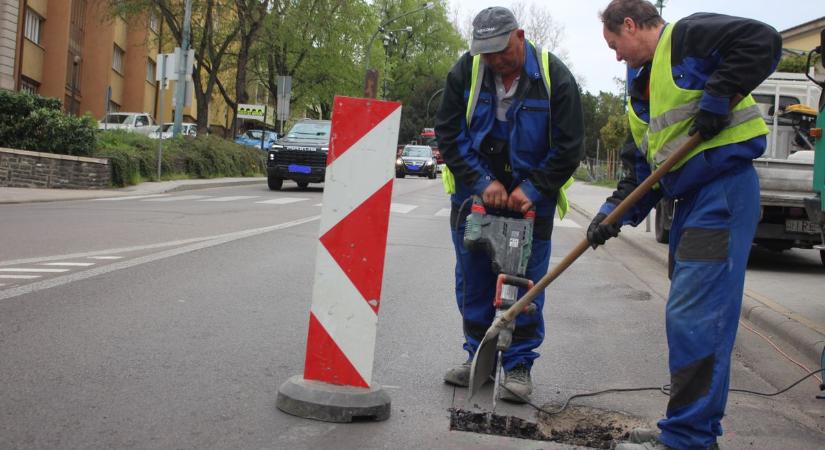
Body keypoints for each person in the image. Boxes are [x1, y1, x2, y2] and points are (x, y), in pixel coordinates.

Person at [592, 1, 781, 448]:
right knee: (691, 317)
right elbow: (643, 175)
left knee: (697, 317)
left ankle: (688, 437)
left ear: (632, 25)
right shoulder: (641, 91)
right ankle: (687, 428)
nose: (616, 55)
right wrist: (609, 216)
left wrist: (718, 95)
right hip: (689, 200)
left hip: (723, 190)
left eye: (614, 43)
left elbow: (763, 41)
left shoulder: (687, 36)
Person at [434, 6, 583, 403]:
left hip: (531, 203)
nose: (495, 61)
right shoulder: (465, 72)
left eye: (501, 51)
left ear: (520, 36)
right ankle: (477, 357)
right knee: (473, 281)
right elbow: (449, 135)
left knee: (525, 287)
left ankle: (518, 364)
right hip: (475, 196)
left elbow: (569, 148)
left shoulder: (556, 78)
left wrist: (533, 188)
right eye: (486, 53)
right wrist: (483, 183)